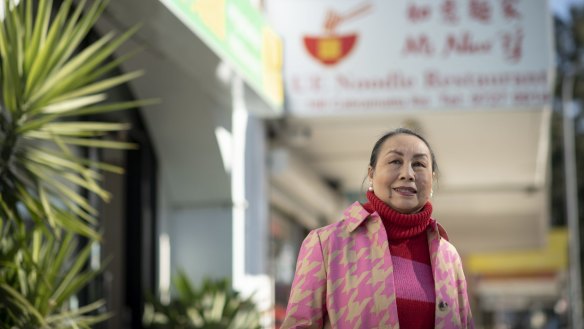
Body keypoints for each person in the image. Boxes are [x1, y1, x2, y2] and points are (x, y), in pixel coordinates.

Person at [281, 128, 474, 329]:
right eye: (395, 161)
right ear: (371, 174)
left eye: (419, 164)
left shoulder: (448, 256)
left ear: (432, 179)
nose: (408, 174)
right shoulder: (326, 244)